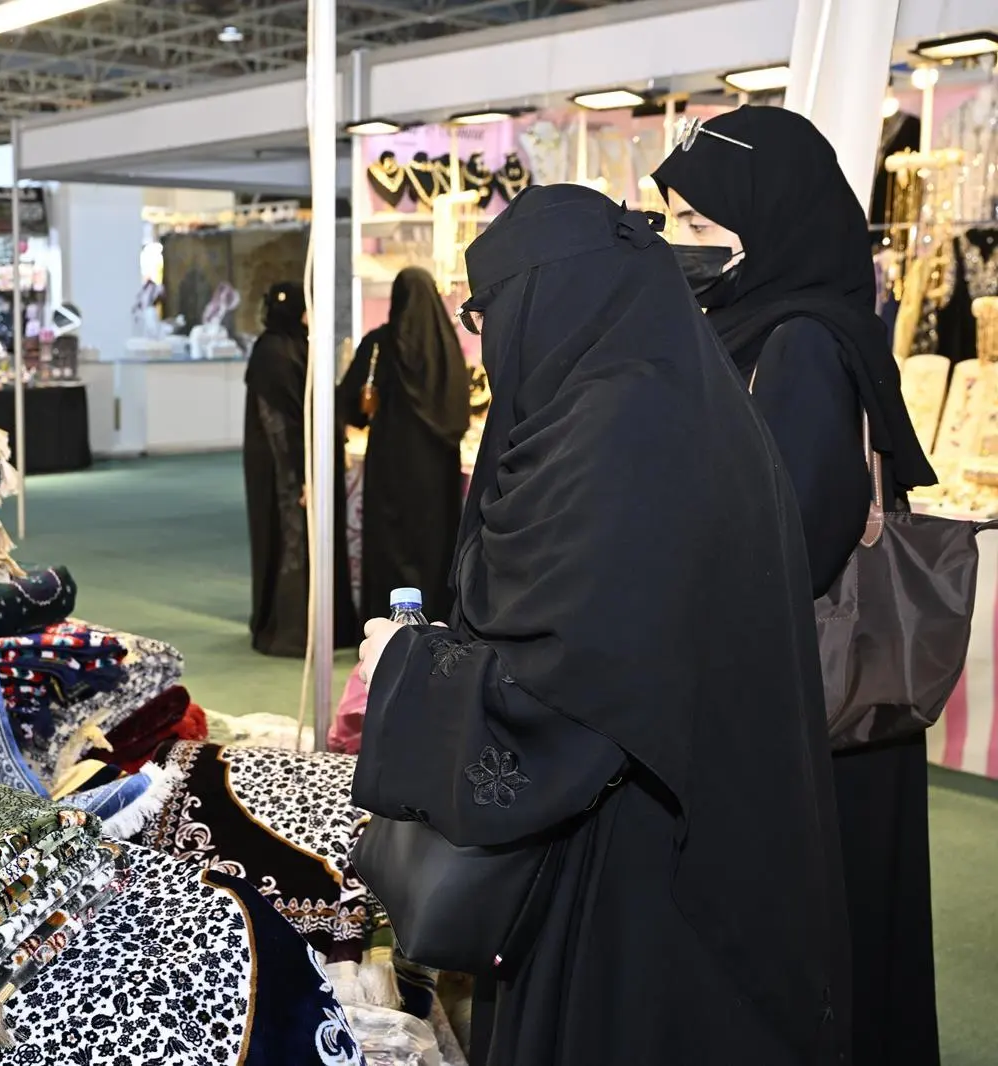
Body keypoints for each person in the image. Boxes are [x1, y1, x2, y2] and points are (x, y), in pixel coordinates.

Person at [354, 185, 850, 1066]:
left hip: (637, 857)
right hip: (685, 822)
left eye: (491, 311)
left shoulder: (621, 430)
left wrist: (407, 668)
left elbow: (569, 690)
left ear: (547, 299)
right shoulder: (664, 399)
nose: (486, 338)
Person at [654, 105, 942, 1066]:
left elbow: (795, 532)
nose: (686, 243)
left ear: (767, 217)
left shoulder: (803, 341)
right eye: (677, 222)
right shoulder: (764, 325)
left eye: (702, 222)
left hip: (813, 699)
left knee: (819, 938)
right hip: (807, 692)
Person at [339, 266, 471, 620]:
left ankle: (386, 623)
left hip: (391, 465)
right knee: (435, 544)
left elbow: (349, 403)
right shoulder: (447, 350)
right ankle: (437, 622)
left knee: (390, 545)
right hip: (437, 469)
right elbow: (460, 412)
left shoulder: (379, 344)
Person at [242, 281, 358, 657]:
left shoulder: (295, 346)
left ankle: (325, 624)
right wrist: (303, 476)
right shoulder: (273, 352)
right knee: (293, 543)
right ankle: (292, 630)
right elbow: (279, 424)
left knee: (314, 542)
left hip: (305, 465)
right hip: (285, 473)